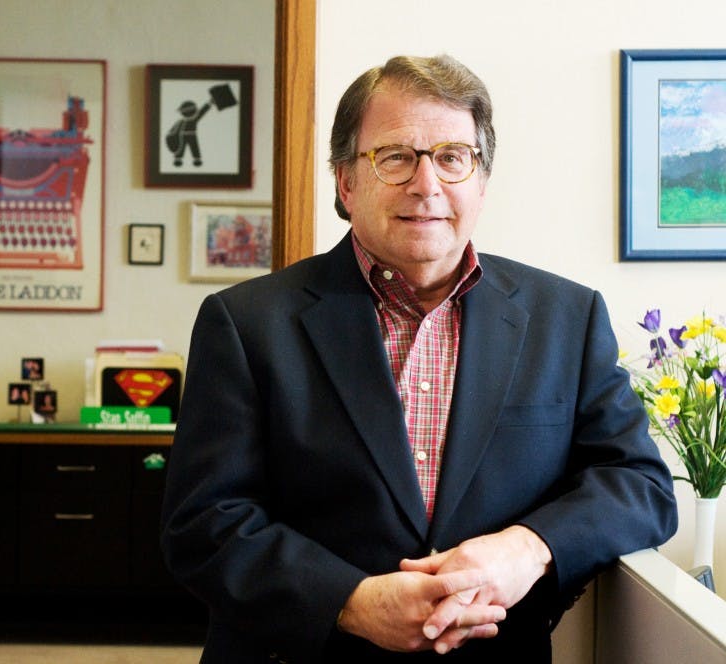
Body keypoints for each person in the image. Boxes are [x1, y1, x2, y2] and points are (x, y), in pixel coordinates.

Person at [160, 54, 678, 662]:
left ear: (481, 181)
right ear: (345, 182)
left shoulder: (567, 316)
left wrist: (527, 546)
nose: (427, 185)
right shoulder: (246, 323)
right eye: (396, 157)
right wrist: (347, 600)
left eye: (453, 157)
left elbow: (639, 484)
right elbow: (203, 523)